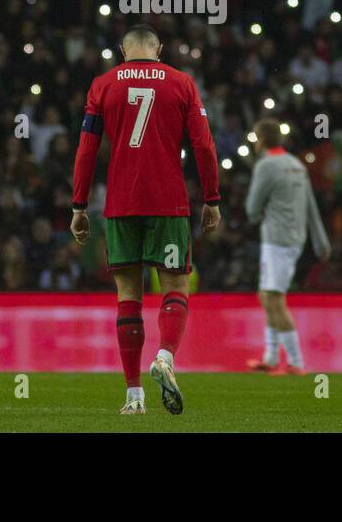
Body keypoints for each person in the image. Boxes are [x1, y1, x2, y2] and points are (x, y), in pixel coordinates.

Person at [70, 24, 221, 415]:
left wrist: (79, 205)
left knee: (128, 297)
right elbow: (203, 144)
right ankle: (166, 356)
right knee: (174, 286)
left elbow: (87, 149)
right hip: (168, 202)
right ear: (160, 49)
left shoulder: (102, 85)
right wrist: (212, 198)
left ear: (122, 50)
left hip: (121, 204)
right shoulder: (182, 83)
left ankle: (133, 396)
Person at [243, 117, 330, 375]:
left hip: (277, 239)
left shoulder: (267, 165)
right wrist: (320, 239)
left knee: (275, 298)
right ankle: (270, 357)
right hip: (295, 238)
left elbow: (252, 208)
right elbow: (311, 205)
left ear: (261, 139)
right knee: (266, 295)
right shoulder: (296, 164)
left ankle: (296, 362)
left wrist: (257, 215)